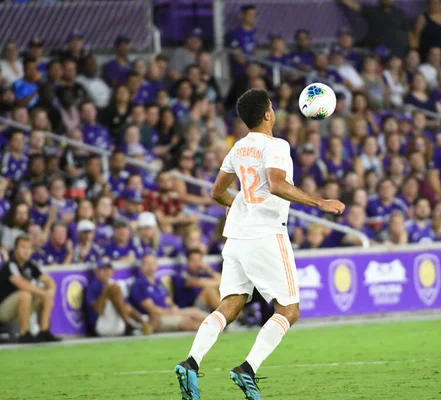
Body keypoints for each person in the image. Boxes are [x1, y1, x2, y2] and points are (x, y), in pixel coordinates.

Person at [173, 88, 345, 400]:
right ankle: (248, 369)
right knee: (289, 309)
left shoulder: (238, 148)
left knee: (232, 303)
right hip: (266, 235)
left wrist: (236, 205)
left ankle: (191, 363)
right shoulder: (276, 145)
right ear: (267, 115)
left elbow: (217, 192)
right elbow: (277, 184)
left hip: (237, 236)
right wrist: (319, 202)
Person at [0, 234, 61, 343]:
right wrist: (43, 293)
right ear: (15, 249)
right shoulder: (10, 265)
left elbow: (49, 280)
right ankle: (24, 333)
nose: (26, 251)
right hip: (3, 310)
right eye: (23, 247)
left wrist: (50, 291)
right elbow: (20, 283)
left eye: (29, 248)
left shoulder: (30, 265)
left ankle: (44, 331)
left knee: (45, 291)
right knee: (26, 294)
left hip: (20, 307)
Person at [130, 253, 205, 333]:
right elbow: (151, 309)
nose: (150, 266)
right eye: (147, 263)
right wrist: (170, 313)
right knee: (186, 321)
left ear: (156, 265)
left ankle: (217, 324)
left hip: (169, 312)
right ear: (142, 267)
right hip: (156, 319)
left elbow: (168, 301)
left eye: (153, 263)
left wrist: (174, 308)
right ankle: (212, 332)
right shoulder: (140, 284)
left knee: (194, 312)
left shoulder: (158, 283)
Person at [86, 256, 152, 337]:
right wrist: (106, 291)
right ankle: (128, 325)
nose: (106, 272)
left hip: (116, 325)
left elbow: (127, 308)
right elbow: (98, 310)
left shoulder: (114, 284)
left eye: (108, 269)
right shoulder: (92, 287)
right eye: (103, 269)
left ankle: (130, 325)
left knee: (115, 289)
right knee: (113, 288)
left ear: (112, 272)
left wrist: (141, 321)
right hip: (100, 326)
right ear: (97, 271)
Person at [338, 0, 411, 58]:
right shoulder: (373, 11)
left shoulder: (399, 13)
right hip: (378, 52)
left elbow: (409, 34)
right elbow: (356, 6)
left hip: (398, 53)